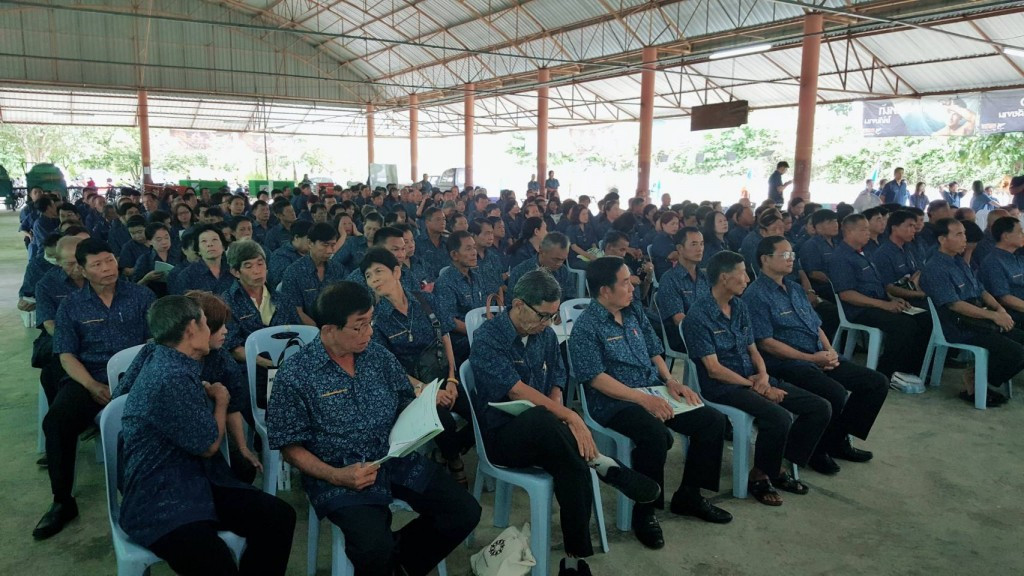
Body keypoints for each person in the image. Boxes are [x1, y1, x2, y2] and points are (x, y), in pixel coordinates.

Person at [267, 282, 482, 576]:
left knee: (464, 512)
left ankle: (399, 565)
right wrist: (337, 475)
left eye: (370, 323)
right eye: (359, 327)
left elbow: (406, 398)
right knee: (372, 547)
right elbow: (290, 447)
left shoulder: (377, 356)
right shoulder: (296, 374)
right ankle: (388, 562)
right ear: (329, 330)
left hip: (393, 458)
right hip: (340, 471)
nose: (369, 332)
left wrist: (421, 416)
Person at [472, 269, 661, 574]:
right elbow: (517, 390)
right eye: (543, 316)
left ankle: (574, 559)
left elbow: (557, 377)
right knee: (542, 420)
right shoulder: (488, 339)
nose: (548, 324)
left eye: (553, 316)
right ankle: (600, 462)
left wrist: (560, 408)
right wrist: (569, 416)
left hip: (550, 434)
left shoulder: (544, 335)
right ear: (518, 305)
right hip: (504, 437)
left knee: (572, 462)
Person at [114, 296, 295, 575]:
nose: (216, 330)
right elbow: (209, 445)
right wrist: (220, 401)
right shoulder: (169, 376)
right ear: (191, 329)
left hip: (198, 479)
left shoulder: (175, 361)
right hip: (160, 492)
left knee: (278, 516)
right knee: (214, 561)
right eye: (206, 322)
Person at [571, 257, 732, 549]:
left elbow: (655, 350)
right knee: (656, 436)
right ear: (605, 291)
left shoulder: (633, 312)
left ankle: (690, 495)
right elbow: (595, 379)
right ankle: (645, 511)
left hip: (654, 390)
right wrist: (642, 399)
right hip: (615, 402)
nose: (632, 286)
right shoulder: (586, 326)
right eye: (624, 282)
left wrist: (671, 381)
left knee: (712, 421)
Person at [683, 251, 830, 507]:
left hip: (753, 378)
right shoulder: (698, 316)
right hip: (724, 386)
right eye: (742, 273)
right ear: (725, 278)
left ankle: (778, 464)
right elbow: (714, 369)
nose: (747, 279)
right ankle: (761, 476)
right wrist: (756, 386)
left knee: (819, 407)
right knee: (778, 416)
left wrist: (763, 376)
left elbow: (753, 349)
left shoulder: (739, 306)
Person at [34, 238, 156, 540]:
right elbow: (66, 354)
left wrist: (139, 378)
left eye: (110, 260)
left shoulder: (142, 295)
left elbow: (158, 339)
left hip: (137, 376)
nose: (107, 269)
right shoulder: (71, 306)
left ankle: (152, 495)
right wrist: (91, 385)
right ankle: (62, 501)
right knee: (57, 421)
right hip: (91, 378)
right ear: (83, 270)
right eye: (97, 264)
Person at [745, 236, 888, 475]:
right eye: (785, 255)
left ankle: (837, 439)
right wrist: (812, 359)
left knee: (875, 383)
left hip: (817, 356)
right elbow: (766, 343)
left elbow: (816, 325)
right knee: (834, 393)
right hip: (787, 363)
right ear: (765, 259)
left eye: (792, 254)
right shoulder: (756, 295)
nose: (791, 260)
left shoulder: (795, 288)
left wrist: (829, 351)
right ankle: (815, 451)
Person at [360, 248, 473, 485]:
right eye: (369, 276)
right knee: (443, 419)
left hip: (443, 375)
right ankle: (454, 462)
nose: (374, 279)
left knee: (481, 410)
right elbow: (390, 365)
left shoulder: (425, 300)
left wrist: (452, 379)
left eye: (379, 271)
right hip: (410, 386)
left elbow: (445, 337)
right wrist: (426, 391)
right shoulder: (378, 319)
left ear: (397, 272)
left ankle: (445, 451)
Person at [921, 218, 1024, 407]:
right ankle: (974, 379)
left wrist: (1000, 310)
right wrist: (993, 315)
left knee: (1021, 341)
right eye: (958, 234)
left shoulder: (960, 262)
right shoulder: (935, 268)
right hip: (958, 325)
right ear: (943, 239)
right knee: (1015, 353)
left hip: (977, 318)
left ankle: (981, 376)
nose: (964, 239)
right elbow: (954, 305)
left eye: (964, 234)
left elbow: (981, 290)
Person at [828, 214, 931, 389]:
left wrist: (893, 299)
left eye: (868, 229)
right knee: (903, 325)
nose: (868, 233)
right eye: (863, 229)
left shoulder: (863, 253)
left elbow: (879, 286)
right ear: (849, 232)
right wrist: (884, 305)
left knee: (924, 319)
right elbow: (847, 294)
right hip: (859, 310)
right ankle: (886, 372)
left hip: (878, 303)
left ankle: (910, 369)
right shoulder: (841, 257)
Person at [434, 231, 488, 364]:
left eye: (474, 247)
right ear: (454, 255)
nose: (474, 252)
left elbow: (483, 307)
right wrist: (477, 333)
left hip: (481, 333)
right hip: (462, 341)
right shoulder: (445, 283)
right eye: (468, 248)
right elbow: (450, 321)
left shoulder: (476, 275)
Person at [279, 222, 346, 326]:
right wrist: (318, 331)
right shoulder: (294, 272)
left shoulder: (338, 269)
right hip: (307, 329)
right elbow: (296, 312)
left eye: (333, 245)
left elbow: (344, 301)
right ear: (310, 243)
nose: (329, 251)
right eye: (325, 245)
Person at [655, 227, 708, 352]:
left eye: (702, 244)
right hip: (684, 336)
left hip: (706, 331)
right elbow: (679, 320)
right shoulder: (669, 279)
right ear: (679, 248)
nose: (700, 249)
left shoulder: (704, 276)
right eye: (694, 244)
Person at [873, 210, 927, 307]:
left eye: (914, 227)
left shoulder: (909, 248)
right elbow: (889, 288)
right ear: (894, 227)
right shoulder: (883, 253)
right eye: (909, 226)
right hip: (900, 301)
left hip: (915, 293)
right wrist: (920, 294)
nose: (913, 230)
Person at [979, 216, 1024, 326]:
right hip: (1012, 314)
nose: (1023, 235)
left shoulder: (1017, 256)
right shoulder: (994, 262)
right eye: (1020, 232)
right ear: (1006, 236)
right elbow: (1004, 298)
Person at [508, 232, 576, 303]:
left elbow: (570, 300)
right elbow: (512, 304)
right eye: (555, 259)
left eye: (563, 260)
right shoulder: (520, 272)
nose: (559, 264)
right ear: (541, 250)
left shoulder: (563, 271)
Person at [169, 224, 235, 296]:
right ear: (198, 250)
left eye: (214, 240)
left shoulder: (234, 271)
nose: (210, 244)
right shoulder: (187, 276)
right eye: (204, 241)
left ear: (223, 246)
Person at [133, 222, 182, 297]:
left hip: (179, 295)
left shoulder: (180, 254)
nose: (164, 242)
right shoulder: (144, 259)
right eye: (159, 239)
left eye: (166, 237)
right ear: (149, 242)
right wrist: (146, 279)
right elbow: (135, 287)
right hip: (156, 298)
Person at [267, 220, 312, 289]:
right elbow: (283, 282)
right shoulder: (280, 255)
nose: (312, 243)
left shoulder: (312, 254)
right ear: (296, 237)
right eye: (309, 239)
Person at [649, 212, 680, 280]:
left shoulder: (674, 237)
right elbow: (672, 256)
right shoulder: (660, 239)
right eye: (672, 224)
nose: (675, 226)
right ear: (663, 225)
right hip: (665, 272)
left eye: (677, 224)